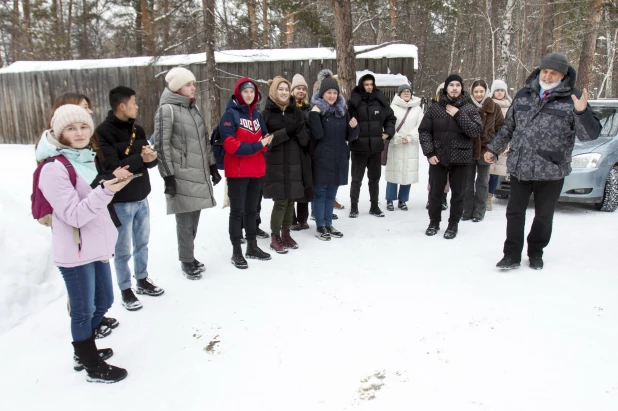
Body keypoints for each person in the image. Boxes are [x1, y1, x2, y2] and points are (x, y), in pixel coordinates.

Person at [37, 104, 130, 383]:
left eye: (83, 127)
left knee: (104, 301)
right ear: (59, 132)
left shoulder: (85, 159)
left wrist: (111, 184)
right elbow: (74, 214)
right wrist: (105, 190)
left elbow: (94, 204)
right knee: (83, 310)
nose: (79, 133)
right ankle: (89, 363)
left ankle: (85, 349)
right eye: (71, 128)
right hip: (75, 251)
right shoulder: (54, 168)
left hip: (95, 247)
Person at [485, 53, 601, 270]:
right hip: (521, 166)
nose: (547, 76)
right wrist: (493, 148)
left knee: (544, 216)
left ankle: (536, 252)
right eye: (544, 71)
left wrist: (582, 112)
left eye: (553, 73)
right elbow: (509, 126)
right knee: (514, 212)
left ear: (563, 75)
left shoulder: (573, 99)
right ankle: (511, 255)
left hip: (551, 169)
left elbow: (589, 135)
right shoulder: (523, 95)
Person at [96, 86, 163, 311]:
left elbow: (149, 162)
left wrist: (151, 158)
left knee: (142, 243)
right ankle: (125, 289)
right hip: (121, 201)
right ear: (122, 106)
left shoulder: (139, 129)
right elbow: (113, 167)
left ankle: (142, 279)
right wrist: (139, 157)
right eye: (134, 103)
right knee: (123, 249)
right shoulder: (103, 133)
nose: (137, 106)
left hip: (142, 197)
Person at [155, 67, 222, 280]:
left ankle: (190, 256)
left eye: (193, 84)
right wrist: (168, 177)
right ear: (177, 88)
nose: (193, 87)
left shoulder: (193, 108)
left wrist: (212, 166)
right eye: (188, 84)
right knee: (184, 220)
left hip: (198, 172)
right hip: (181, 174)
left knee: (194, 216)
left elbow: (204, 140)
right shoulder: (167, 110)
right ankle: (186, 260)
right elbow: (161, 146)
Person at [419, 74, 483, 239]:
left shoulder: (469, 109)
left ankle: (453, 225)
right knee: (435, 193)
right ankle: (434, 222)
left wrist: (458, 114)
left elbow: (475, 131)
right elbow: (424, 131)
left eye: (458, 85)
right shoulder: (434, 108)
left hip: (460, 159)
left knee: (458, 194)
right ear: (446, 88)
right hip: (438, 158)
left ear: (462, 88)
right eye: (451, 85)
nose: (454, 88)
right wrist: (429, 153)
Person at [220, 77, 273, 268]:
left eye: (252, 91)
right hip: (238, 172)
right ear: (238, 93)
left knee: (252, 211)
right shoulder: (230, 115)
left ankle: (252, 246)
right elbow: (231, 145)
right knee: (237, 212)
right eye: (245, 91)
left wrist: (267, 141)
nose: (250, 95)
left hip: (256, 170)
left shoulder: (257, 116)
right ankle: (236, 252)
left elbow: (265, 138)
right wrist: (258, 145)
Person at [308, 70, 359, 240]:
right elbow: (317, 135)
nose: (332, 96)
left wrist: (353, 127)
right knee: (321, 192)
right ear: (322, 94)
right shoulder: (317, 110)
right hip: (322, 158)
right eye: (329, 92)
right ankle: (320, 225)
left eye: (334, 92)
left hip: (339, 158)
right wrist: (314, 115)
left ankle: (328, 223)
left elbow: (349, 137)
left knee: (331, 193)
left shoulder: (342, 111)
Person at [262, 76, 310, 253]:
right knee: (281, 201)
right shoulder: (266, 113)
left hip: (293, 162)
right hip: (274, 164)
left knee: (290, 200)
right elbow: (266, 141)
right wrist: (287, 132)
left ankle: (286, 233)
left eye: (285, 89)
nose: (283, 92)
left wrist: (299, 132)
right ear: (274, 91)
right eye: (280, 89)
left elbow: (305, 139)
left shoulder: (296, 112)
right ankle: (274, 237)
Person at [347, 73, 396, 218]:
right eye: (366, 84)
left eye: (371, 84)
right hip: (358, 147)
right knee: (356, 179)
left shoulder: (380, 101)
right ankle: (354, 206)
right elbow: (346, 120)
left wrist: (387, 132)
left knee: (374, 179)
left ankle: (374, 206)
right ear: (361, 85)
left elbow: (391, 118)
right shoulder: (354, 102)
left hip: (376, 147)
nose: (369, 87)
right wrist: (352, 128)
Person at [462, 80, 504, 222]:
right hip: (468, 149)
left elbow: (501, 130)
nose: (479, 94)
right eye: (476, 92)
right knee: (467, 181)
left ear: (486, 92)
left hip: (486, 150)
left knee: (483, 182)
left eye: (481, 91)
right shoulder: (466, 106)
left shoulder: (494, 107)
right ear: (472, 92)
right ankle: (467, 210)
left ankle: (479, 211)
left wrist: (494, 149)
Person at [384, 84, 423, 211]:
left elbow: (421, 126)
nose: (406, 93)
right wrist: (397, 138)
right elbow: (388, 124)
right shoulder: (392, 107)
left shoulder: (417, 109)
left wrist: (410, 137)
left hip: (410, 145)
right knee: (393, 172)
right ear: (399, 94)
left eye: (408, 91)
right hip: (396, 144)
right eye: (403, 91)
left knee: (407, 173)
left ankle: (403, 200)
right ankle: (390, 199)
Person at [289, 74, 314, 231]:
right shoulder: (288, 107)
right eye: (298, 88)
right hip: (292, 151)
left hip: (306, 152)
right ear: (292, 91)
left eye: (303, 89)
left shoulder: (309, 108)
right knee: (292, 185)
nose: (301, 91)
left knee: (305, 184)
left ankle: (303, 219)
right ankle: (291, 220)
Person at [487, 79, 513, 211]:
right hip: (489, 143)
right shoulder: (488, 104)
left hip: (504, 145)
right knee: (485, 171)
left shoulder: (510, 106)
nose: (500, 92)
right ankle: (481, 195)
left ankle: (489, 197)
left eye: (502, 90)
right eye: (497, 90)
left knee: (496, 173)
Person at [426, 83, 450, 210]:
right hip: (435, 147)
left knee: (447, 176)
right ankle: (431, 198)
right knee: (433, 175)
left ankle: (443, 198)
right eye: (440, 92)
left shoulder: (453, 107)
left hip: (450, 147)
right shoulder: (432, 108)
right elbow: (426, 128)